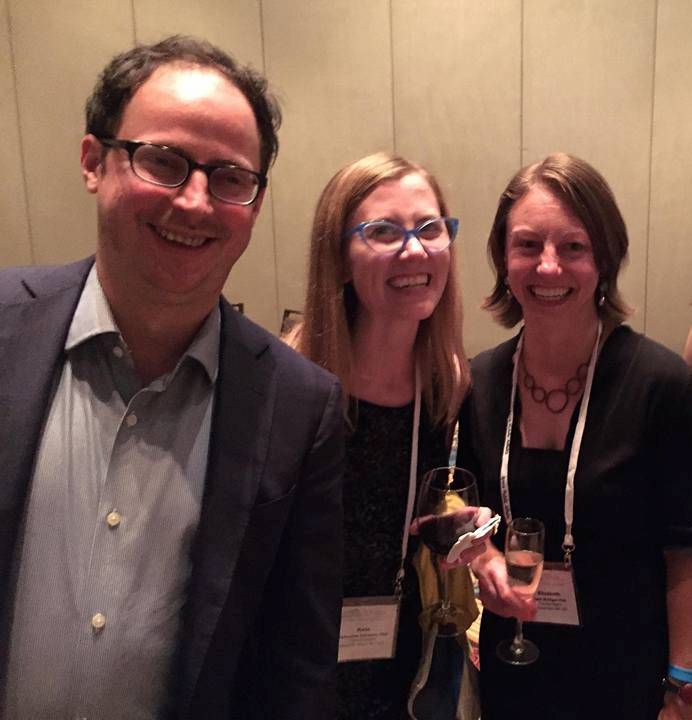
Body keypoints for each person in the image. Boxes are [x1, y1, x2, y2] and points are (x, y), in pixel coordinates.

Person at [0, 36, 344, 720]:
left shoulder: (300, 406)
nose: (194, 202)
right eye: (163, 161)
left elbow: (294, 667)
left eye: (229, 178)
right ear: (93, 161)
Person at [460, 153, 692, 720]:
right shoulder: (479, 381)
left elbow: (685, 550)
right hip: (512, 665)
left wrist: (681, 685)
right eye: (527, 245)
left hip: (630, 678)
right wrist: (485, 555)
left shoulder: (660, 384)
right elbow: (469, 510)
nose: (547, 267)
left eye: (573, 247)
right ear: (502, 258)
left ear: (605, 259)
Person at [288, 151, 490, 719]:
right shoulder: (289, 384)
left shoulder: (449, 386)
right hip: (302, 661)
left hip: (406, 655)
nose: (415, 250)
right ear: (340, 259)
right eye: (383, 232)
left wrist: (461, 531)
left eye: (430, 229)